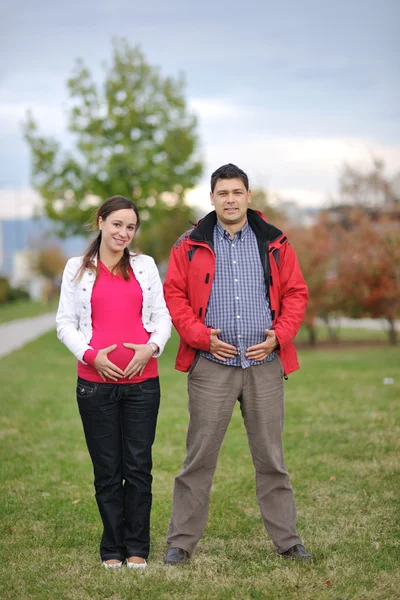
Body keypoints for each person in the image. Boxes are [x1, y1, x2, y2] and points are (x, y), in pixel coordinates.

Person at [163, 163, 312, 565]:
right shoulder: (189, 243)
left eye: (237, 192)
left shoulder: (275, 241)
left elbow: (297, 293)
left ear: (248, 196)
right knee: (198, 458)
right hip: (211, 364)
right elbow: (174, 295)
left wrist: (279, 335)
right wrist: (199, 336)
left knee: (272, 459)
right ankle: (180, 543)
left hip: (264, 365)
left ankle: (288, 542)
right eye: (222, 193)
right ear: (211, 198)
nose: (230, 199)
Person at [56, 195, 171, 569]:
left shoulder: (145, 265)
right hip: (94, 385)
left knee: (138, 467)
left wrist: (150, 348)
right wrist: (92, 356)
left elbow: (162, 316)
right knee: (107, 470)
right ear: (101, 222)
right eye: (117, 224)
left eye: (131, 226)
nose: (123, 232)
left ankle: (137, 547)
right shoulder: (77, 268)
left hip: (143, 383)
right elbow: (65, 324)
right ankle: (112, 547)